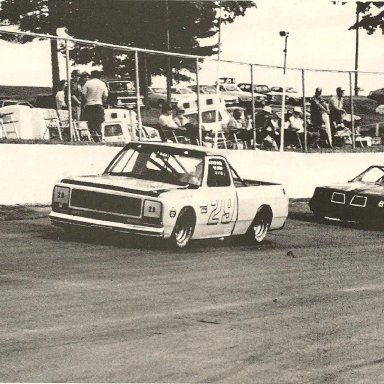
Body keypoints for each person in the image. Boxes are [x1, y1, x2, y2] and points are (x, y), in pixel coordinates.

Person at [82, 70, 108, 139]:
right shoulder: (102, 83)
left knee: (90, 121)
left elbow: (83, 93)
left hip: (89, 104)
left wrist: (86, 100)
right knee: (98, 121)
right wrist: (103, 101)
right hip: (99, 103)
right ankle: (98, 135)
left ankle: (91, 135)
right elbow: (106, 95)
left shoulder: (88, 83)